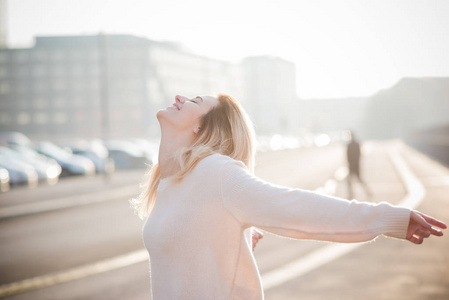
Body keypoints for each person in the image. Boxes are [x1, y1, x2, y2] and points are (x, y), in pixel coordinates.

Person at [132, 94, 446, 300]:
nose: (179, 97)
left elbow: (296, 208)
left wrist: (390, 218)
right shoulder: (169, 183)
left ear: (202, 127)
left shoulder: (216, 173)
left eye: (193, 101)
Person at [346, 130, 371, 198]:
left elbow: (349, 155)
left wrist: (351, 163)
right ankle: (352, 195)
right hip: (355, 164)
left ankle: (367, 192)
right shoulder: (355, 144)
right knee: (351, 181)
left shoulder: (351, 144)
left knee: (356, 180)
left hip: (353, 165)